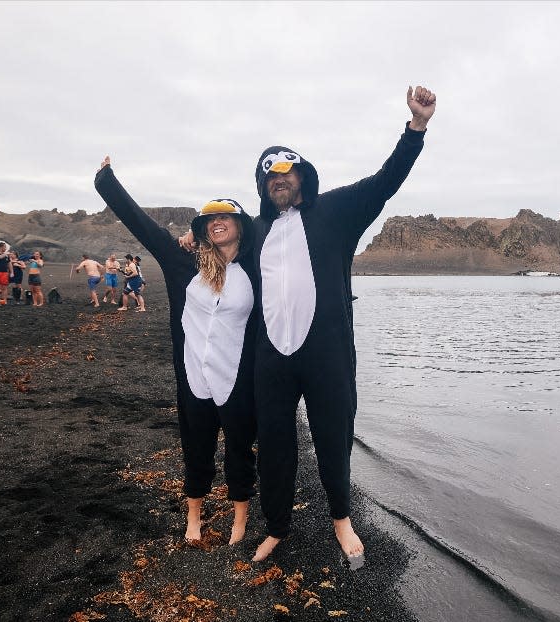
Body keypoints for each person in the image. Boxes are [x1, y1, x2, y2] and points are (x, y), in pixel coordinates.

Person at [180, 85, 436, 562]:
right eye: (270, 176)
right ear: (262, 187)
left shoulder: (336, 212)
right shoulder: (257, 231)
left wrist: (416, 127)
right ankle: (277, 526)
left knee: (333, 436)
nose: (280, 179)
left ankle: (342, 519)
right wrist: (191, 239)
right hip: (271, 357)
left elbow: (385, 181)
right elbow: (224, 238)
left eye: (287, 170)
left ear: (302, 175)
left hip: (327, 353)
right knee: (275, 444)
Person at [95, 156, 258, 545]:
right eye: (208, 219)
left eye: (225, 216)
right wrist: (107, 182)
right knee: (196, 449)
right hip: (194, 379)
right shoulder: (182, 264)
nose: (217, 222)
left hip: (239, 379)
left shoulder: (257, 267)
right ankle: (194, 517)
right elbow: (143, 227)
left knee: (240, 450)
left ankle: (240, 518)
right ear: (201, 229)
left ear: (240, 225)